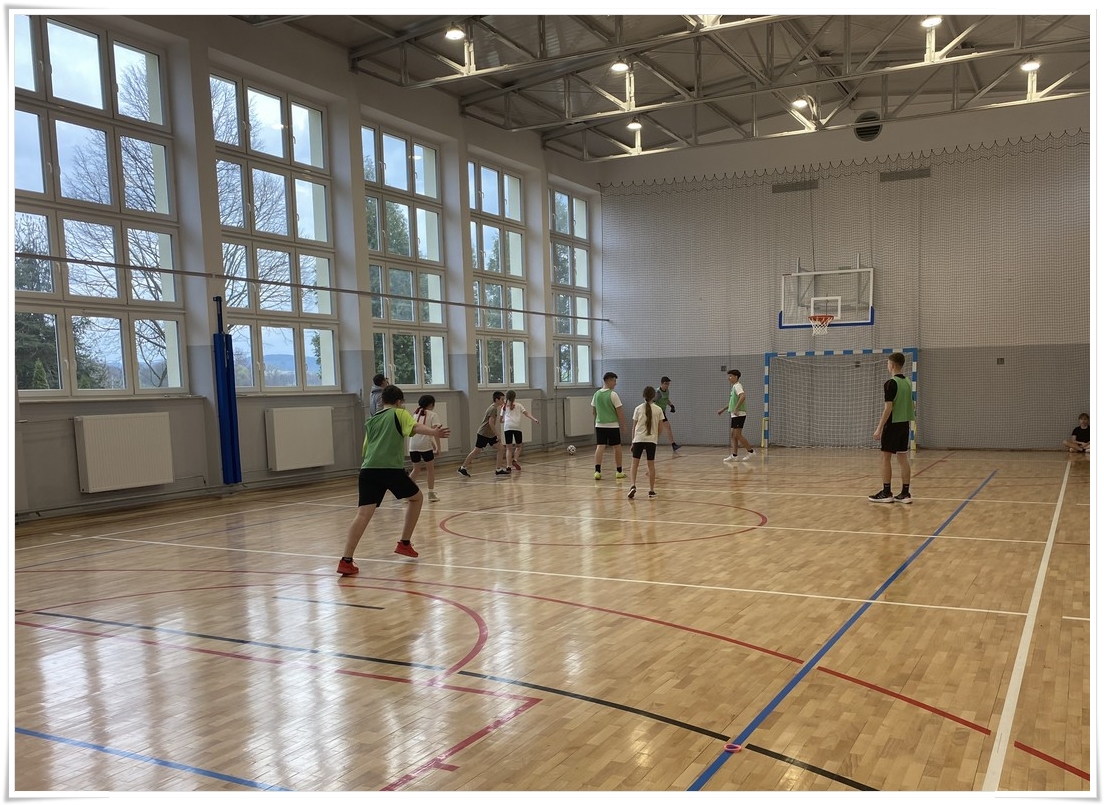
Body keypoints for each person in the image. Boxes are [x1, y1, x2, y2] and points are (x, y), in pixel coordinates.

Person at [336, 384, 450, 575]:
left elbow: (366, 449)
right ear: (399, 402)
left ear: (382, 401)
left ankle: (346, 560)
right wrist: (433, 433)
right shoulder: (399, 413)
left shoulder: (372, 419)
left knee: (363, 514)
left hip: (368, 469)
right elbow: (415, 426)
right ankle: (404, 543)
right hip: (389, 468)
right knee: (417, 498)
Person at [869, 352, 915, 504]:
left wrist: (879, 428)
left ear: (892, 365)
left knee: (885, 458)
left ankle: (886, 492)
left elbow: (888, 408)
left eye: (888, 363)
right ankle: (905, 493)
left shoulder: (890, 383)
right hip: (904, 424)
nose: (887, 366)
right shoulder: (908, 382)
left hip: (893, 424)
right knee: (903, 458)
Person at [458, 391, 507, 477]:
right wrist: (498, 434)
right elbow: (491, 423)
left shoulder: (493, 408)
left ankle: (498, 469)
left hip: (489, 434)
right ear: (497, 399)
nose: (504, 401)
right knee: (476, 451)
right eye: (502, 399)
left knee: (501, 448)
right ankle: (462, 468)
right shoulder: (493, 409)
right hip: (484, 433)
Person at [628, 386, 664, 499]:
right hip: (651, 440)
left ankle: (633, 485)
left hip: (638, 439)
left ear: (643, 395)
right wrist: (655, 438)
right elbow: (660, 428)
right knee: (651, 466)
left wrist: (633, 441)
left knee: (634, 464)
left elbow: (634, 428)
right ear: (654, 396)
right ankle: (651, 491)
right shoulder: (658, 410)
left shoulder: (638, 409)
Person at [592, 371, 627, 480]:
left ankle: (597, 471)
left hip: (599, 425)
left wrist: (598, 420)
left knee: (600, 446)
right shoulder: (613, 394)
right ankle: (619, 471)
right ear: (608, 381)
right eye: (614, 381)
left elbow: (594, 411)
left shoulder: (596, 394)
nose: (615, 383)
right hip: (612, 425)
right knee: (617, 447)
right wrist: (623, 426)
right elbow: (620, 412)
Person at [407, 395, 442, 501]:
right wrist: (438, 447)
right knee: (430, 470)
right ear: (431, 404)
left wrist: (433, 445)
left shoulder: (415, 413)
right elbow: (436, 433)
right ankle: (431, 493)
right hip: (425, 445)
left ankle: (406, 492)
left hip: (413, 445)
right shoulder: (433, 415)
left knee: (416, 469)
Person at [717, 369, 755, 462]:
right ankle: (734, 455)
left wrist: (736, 408)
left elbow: (743, 396)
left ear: (736, 377)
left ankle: (751, 451)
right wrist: (723, 409)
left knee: (737, 435)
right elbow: (732, 402)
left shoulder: (738, 386)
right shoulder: (734, 387)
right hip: (734, 415)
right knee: (733, 435)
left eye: (730, 376)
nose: (729, 378)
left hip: (739, 414)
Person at [500, 390, 540, 471]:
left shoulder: (504, 406)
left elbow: (500, 420)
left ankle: (508, 466)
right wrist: (534, 419)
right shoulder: (519, 405)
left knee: (508, 448)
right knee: (519, 446)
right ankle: (515, 460)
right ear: (515, 397)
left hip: (507, 427)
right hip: (517, 427)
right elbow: (526, 413)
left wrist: (504, 421)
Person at [654, 376, 681, 452]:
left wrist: (671, 405)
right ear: (662, 383)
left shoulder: (667, 391)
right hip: (657, 412)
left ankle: (673, 445)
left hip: (662, 412)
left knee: (663, 428)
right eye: (666, 384)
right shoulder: (658, 392)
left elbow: (666, 399)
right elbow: (652, 401)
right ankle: (673, 444)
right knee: (665, 427)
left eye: (668, 384)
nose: (667, 385)